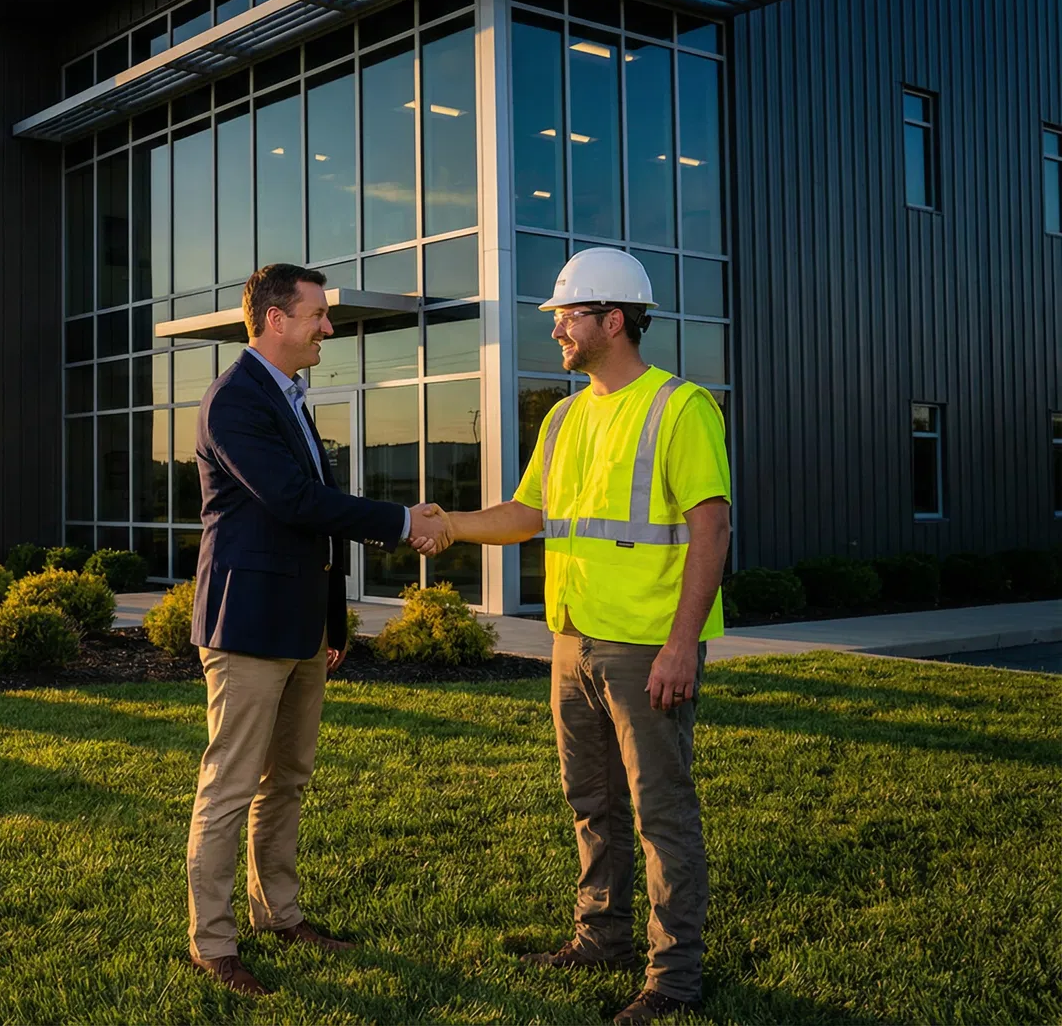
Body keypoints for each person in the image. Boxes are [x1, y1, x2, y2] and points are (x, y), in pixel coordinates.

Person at [409, 247, 730, 1025]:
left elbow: (712, 529)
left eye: (567, 316)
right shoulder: (563, 415)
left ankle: (674, 980)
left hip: (647, 645)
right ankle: (601, 938)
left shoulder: (681, 408)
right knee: (592, 801)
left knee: (661, 811)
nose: (555, 329)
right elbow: (530, 515)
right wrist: (449, 524)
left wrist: (682, 645)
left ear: (611, 321)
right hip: (572, 638)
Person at [184, 263, 435, 995]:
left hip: (298, 628)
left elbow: (309, 522)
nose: (329, 326)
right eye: (318, 313)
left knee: (286, 780)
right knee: (231, 787)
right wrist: (400, 522)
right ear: (274, 320)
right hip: (247, 625)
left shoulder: (290, 397)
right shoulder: (235, 400)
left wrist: (331, 621)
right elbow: (294, 501)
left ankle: (280, 914)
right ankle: (213, 941)